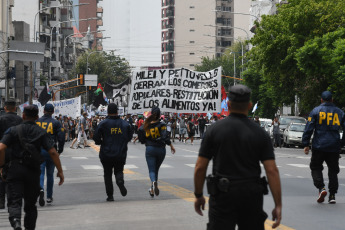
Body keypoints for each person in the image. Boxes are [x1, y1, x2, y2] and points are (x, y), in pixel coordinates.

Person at [194, 84, 282, 230]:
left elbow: (200, 167)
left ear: (228, 105)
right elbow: (272, 170)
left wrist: (198, 195)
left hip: (223, 196)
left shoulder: (214, 130)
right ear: (249, 105)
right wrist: (278, 205)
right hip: (251, 196)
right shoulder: (260, 134)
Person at [0, 105, 64, 230]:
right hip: (32, 171)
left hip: (15, 169)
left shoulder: (13, 130)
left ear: (23, 116)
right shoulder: (41, 132)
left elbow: (1, 148)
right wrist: (60, 171)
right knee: (30, 204)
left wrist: (1, 166)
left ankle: (16, 220)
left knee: (14, 200)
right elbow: (52, 152)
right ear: (36, 117)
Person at [302, 91, 345, 204]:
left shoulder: (316, 111)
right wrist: (341, 143)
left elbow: (309, 128)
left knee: (315, 167)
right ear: (332, 100)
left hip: (319, 145)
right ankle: (332, 195)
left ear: (321, 100)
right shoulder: (340, 112)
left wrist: (306, 143)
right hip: (334, 146)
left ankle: (321, 188)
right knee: (333, 171)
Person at [93, 103, 133, 201]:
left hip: (106, 153)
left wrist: (101, 142)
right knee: (119, 170)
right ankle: (120, 181)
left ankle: (110, 195)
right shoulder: (125, 124)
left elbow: (96, 138)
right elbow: (129, 137)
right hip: (120, 153)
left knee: (107, 174)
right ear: (117, 111)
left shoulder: (103, 124)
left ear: (107, 111)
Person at [138, 107, 175, 197]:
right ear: (159, 115)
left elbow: (140, 135)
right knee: (156, 169)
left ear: (151, 114)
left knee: (152, 170)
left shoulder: (145, 124)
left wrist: (145, 140)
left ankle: (153, 183)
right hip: (161, 149)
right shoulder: (162, 124)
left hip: (150, 149)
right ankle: (152, 188)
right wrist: (171, 146)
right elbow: (165, 137)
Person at [36, 104, 65, 206]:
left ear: (43, 111)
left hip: (39, 150)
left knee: (40, 173)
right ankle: (49, 196)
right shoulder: (56, 122)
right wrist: (60, 150)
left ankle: (40, 188)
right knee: (50, 174)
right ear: (53, 112)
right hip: (51, 150)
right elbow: (61, 136)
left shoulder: (37, 121)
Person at [0, 100, 23, 210]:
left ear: (5, 108)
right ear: (14, 108)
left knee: (1, 175)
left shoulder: (1, 119)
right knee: (15, 177)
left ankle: (1, 201)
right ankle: (13, 200)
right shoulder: (19, 119)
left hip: (2, 150)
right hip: (16, 152)